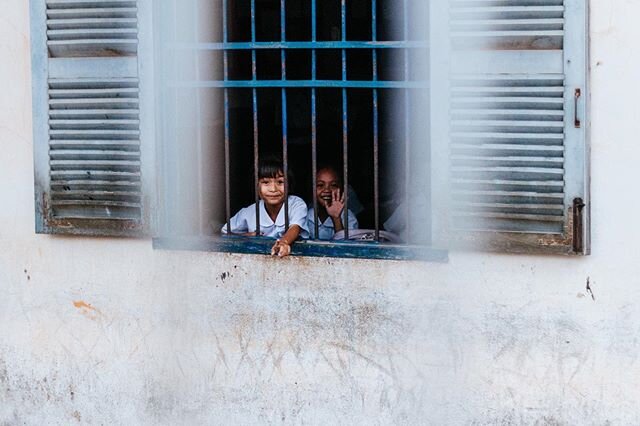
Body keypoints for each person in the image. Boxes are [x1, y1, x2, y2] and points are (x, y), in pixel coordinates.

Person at [221, 156, 309, 257]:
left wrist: (284, 242)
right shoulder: (249, 212)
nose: (273, 189)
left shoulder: (296, 204)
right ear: (256, 186)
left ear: (289, 185)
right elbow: (224, 232)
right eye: (266, 182)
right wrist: (245, 236)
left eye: (280, 182)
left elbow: (295, 227)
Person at [307, 165, 358, 240]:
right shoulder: (307, 215)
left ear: (341, 189)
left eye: (333, 185)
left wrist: (336, 218)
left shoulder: (348, 217)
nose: (327, 190)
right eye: (320, 185)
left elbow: (346, 248)